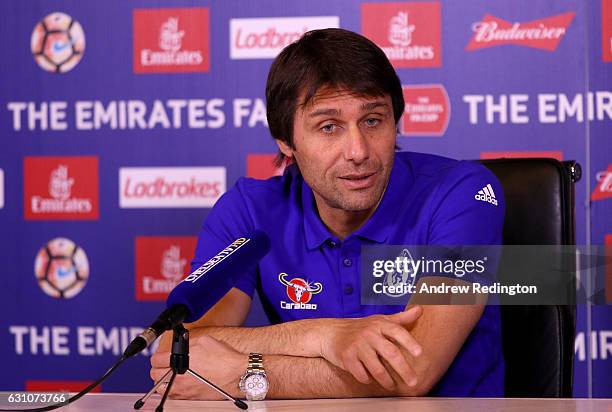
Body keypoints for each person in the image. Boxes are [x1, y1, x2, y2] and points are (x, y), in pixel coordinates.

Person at [150, 28, 505, 400]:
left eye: (372, 120)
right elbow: (174, 351)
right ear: (286, 141)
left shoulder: (462, 193)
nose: (358, 151)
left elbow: (411, 372)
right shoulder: (249, 209)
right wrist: (323, 336)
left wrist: (247, 373)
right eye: (329, 127)